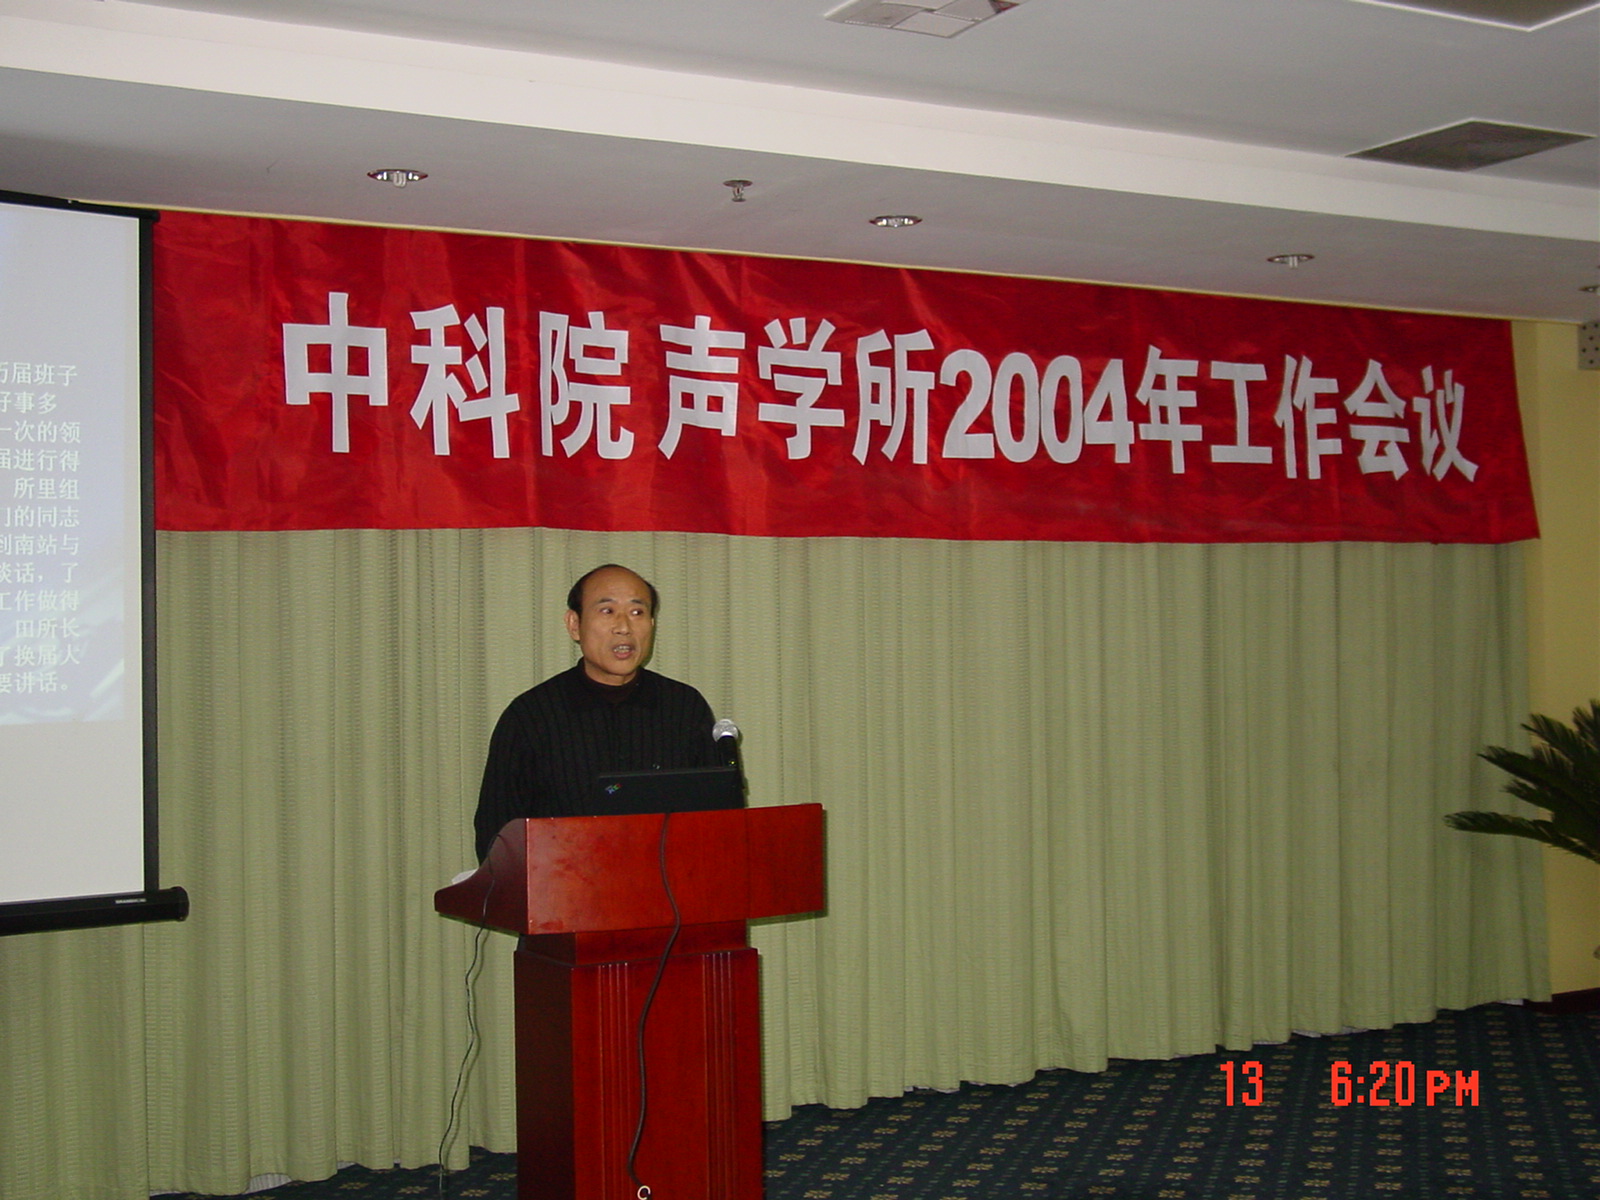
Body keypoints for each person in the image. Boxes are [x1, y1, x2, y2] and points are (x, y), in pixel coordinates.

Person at [472, 563, 723, 861]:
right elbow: (496, 833)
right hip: (563, 884)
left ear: (652, 624)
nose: (624, 627)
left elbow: (718, 820)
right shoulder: (530, 716)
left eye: (637, 612)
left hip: (666, 885)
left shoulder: (684, 707)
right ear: (574, 624)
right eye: (607, 611)